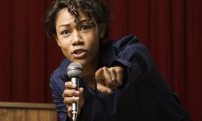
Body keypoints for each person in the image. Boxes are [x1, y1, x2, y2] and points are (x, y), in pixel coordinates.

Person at [45, 0, 192, 121]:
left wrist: (118, 72)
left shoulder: (128, 49)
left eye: (85, 27)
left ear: (101, 30)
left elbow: (136, 59)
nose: (76, 39)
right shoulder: (60, 79)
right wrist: (75, 115)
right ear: (57, 40)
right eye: (65, 32)